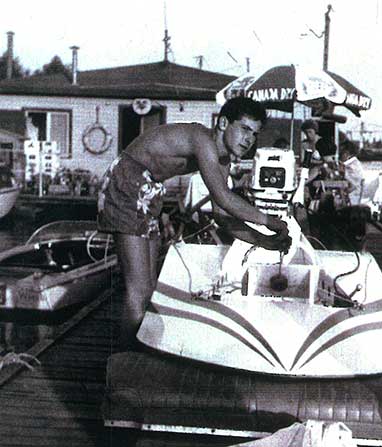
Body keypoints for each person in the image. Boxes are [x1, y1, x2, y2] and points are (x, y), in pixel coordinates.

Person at [97, 97, 291, 350]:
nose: (249, 139)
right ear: (223, 123)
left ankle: (136, 353)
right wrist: (268, 220)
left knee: (149, 289)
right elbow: (223, 197)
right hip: (127, 181)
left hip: (149, 190)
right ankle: (124, 359)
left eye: (254, 134)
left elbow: (221, 216)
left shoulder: (223, 161)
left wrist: (264, 240)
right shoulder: (203, 140)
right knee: (139, 290)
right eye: (244, 129)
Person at [339, 140, 365, 205]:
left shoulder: (353, 166)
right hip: (352, 198)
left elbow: (352, 186)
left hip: (352, 200)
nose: (339, 156)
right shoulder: (352, 164)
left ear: (347, 153)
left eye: (341, 153)